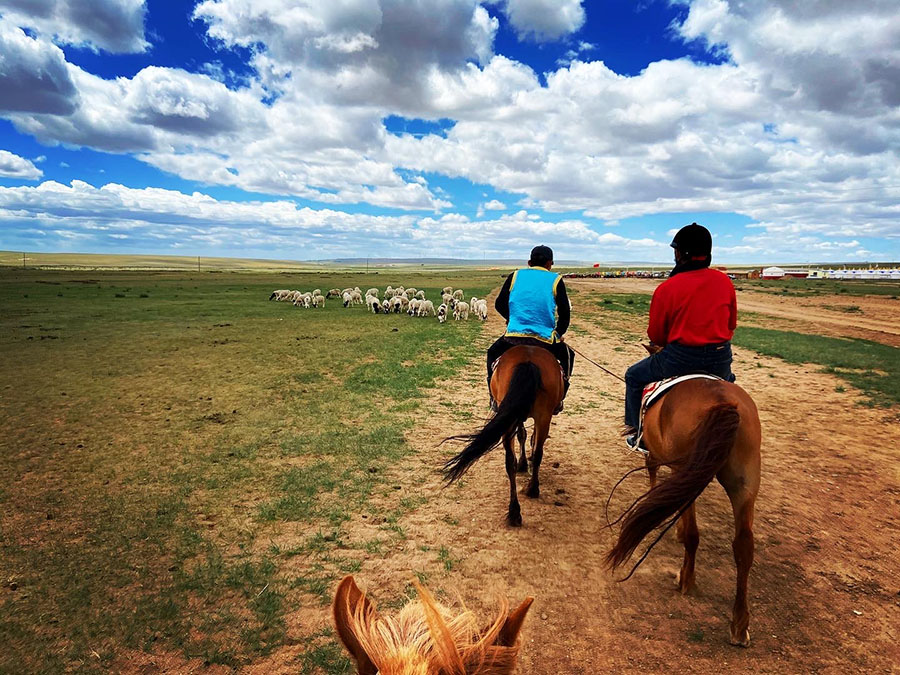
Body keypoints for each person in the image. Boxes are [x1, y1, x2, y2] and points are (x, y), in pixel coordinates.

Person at [623, 223, 737, 450]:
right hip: (720, 358)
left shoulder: (668, 288)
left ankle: (638, 433)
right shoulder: (725, 281)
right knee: (729, 384)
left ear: (680, 254)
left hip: (679, 359)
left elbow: (656, 334)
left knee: (634, 376)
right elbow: (731, 324)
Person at [486, 245, 575, 414]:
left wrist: (511, 319)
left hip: (514, 336)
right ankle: (559, 399)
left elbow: (499, 304)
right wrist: (558, 333)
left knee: (492, 353)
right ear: (550, 264)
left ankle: (493, 397)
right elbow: (565, 313)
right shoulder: (555, 279)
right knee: (569, 356)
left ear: (529, 262)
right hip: (544, 339)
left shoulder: (515, 276)